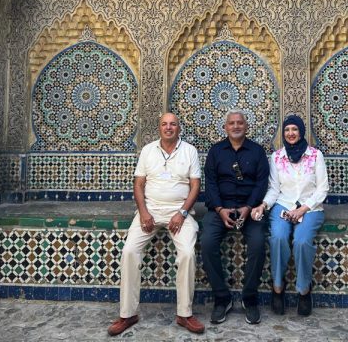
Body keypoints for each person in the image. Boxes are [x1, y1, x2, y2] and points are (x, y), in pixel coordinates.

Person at [107, 113, 205, 336]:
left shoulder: (189, 151)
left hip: (179, 212)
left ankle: (184, 314)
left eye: (173, 124)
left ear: (179, 128)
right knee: (130, 251)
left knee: (188, 253)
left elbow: (195, 186)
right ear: (159, 128)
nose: (168, 128)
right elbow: (139, 184)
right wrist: (143, 212)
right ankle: (128, 313)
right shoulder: (148, 150)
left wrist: (182, 213)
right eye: (164, 124)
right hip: (149, 210)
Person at [251, 114, 329, 317]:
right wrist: (264, 205)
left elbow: (322, 189)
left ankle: (304, 290)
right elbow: (274, 189)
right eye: (287, 130)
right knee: (277, 237)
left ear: (301, 131)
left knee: (302, 241)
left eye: (294, 129)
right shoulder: (277, 157)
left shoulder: (315, 155)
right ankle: (278, 287)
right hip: (283, 205)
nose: (291, 133)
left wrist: (303, 208)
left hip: (310, 208)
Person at [202, 109, 269, 325]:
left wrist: (248, 208)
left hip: (248, 210)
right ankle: (222, 298)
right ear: (225, 127)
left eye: (240, 123)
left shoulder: (257, 152)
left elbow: (261, 183)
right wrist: (220, 210)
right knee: (207, 242)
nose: (236, 126)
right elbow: (210, 184)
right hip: (220, 209)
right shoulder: (216, 151)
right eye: (232, 123)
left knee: (258, 244)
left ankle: (250, 299)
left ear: (246, 126)